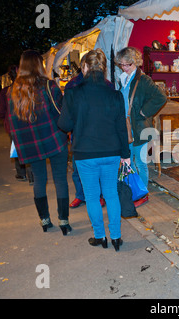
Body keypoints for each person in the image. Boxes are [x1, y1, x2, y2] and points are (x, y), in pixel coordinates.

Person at [58, 48, 130, 252]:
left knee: (91, 196)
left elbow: (64, 125)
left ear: (85, 67)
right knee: (111, 194)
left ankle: (100, 236)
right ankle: (116, 237)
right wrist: (126, 155)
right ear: (104, 69)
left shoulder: (72, 93)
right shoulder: (116, 95)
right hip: (112, 152)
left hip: (85, 153)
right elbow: (121, 128)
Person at [7, 50, 70, 235]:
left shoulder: (13, 91)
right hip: (54, 139)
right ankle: (64, 221)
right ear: (39, 65)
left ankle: (45, 221)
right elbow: (61, 111)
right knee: (60, 179)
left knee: (39, 180)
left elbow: (12, 122)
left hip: (31, 143)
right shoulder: (49, 86)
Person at [114, 47, 167, 207]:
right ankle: (134, 191)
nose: (124, 67)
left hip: (140, 128)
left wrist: (144, 112)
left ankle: (143, 194)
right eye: (122, 64)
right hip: (126, 127)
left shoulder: (143, 80)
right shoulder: (123, 78)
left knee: (141, 163)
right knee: (128, 162)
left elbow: (161, 97)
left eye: (127, 64)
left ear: (135, 62)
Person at [64, 54, 111, 209]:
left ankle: (99, 196)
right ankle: (80, 195)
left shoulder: (107, 85)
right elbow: (67, 117)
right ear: (83, 66)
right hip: (80, 135)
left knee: (99, 170)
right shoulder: (72, 85)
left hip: (102, 135)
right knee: (78, 170)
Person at [0, 65, 33, 183]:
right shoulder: (27, 89)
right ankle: (32, 176)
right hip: (27, 123)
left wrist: (6, 119)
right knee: (30, 149)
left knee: (17, 148)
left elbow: (1, 111)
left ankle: (21, 174)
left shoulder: (5, 92)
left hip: (12, 126)